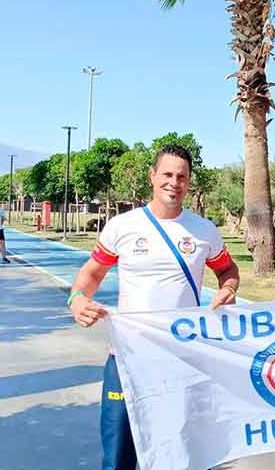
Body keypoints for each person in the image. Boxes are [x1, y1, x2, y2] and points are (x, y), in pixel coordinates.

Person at [67, 145, 240, 470]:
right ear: (153, 177)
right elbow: (91, 273)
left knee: (178, 452)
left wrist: (228, 289)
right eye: (167, 175)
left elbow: (227, 270)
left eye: (182, 176)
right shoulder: (122, 226)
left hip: (181, 359)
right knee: (118, 454)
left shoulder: (204, 231)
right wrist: (77, 300)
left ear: (189, 182)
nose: (174, 182)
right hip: (127, 359)